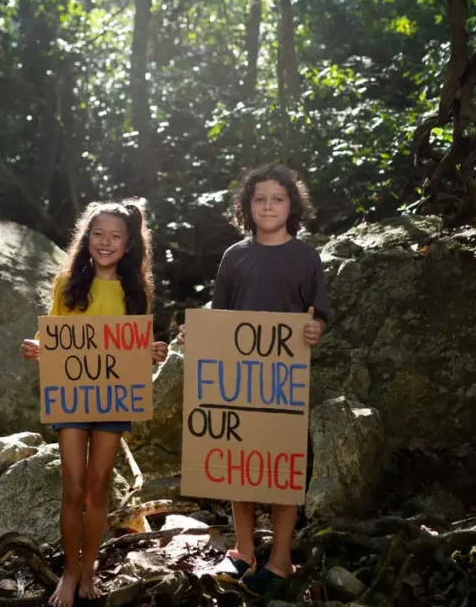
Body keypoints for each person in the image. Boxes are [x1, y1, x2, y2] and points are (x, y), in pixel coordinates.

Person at [177, 164, 330, 596]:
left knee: (282, 466)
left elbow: (317, 316)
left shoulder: (306, 257)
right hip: (237, 380)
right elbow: (220, 315)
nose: (268, 206)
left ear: (291, 206)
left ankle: (281, 560)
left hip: (283, 381)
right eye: (260, 199)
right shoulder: (234, 256)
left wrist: (315, 329)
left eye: (277, 199)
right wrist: (198, 332)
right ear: (247, 206)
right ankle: (242, 550)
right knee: (238, 462)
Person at [21, 200, 169, 607]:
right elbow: (57, 341)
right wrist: (39, 349)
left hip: (113, 400)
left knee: (99, 487)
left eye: (115, 236)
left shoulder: (136, 291)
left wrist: (150, 352)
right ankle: (69, 572)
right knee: (73, 487)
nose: (106, 243)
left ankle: (89, 571)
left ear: (128, 244)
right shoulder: (67, 283)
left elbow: (130, 353)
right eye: (98, 234)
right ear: (87, 239)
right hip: (71, 397)